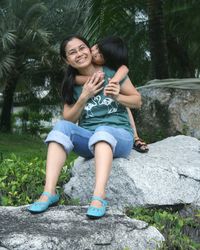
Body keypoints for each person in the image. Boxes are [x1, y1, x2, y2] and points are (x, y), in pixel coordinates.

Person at [27, 35, 141, 219]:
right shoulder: (71, 83)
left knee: (103, 132)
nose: (79, 54)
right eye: (72, 52)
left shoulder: (112, 72)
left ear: (90, 49)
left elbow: (137, 101)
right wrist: (84, 97)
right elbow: (68, 117)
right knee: (61, 127)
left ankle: (98, 196)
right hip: (89, 137)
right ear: (66, 60)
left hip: (120, 136)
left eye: (82, 48)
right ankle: (49, 192)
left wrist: (117, 97)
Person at [76, 36, 149, 153]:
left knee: (122, 104)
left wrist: (114, 80)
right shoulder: (79, 62)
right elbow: (73, 79)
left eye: (101, 55)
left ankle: (135, 137)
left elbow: (124, 68)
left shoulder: (111, 70)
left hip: (115, 114)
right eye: (97, 48)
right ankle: (134, 137)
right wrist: (97, 77)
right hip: (91, 122)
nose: (94, 53)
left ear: (108, 61)